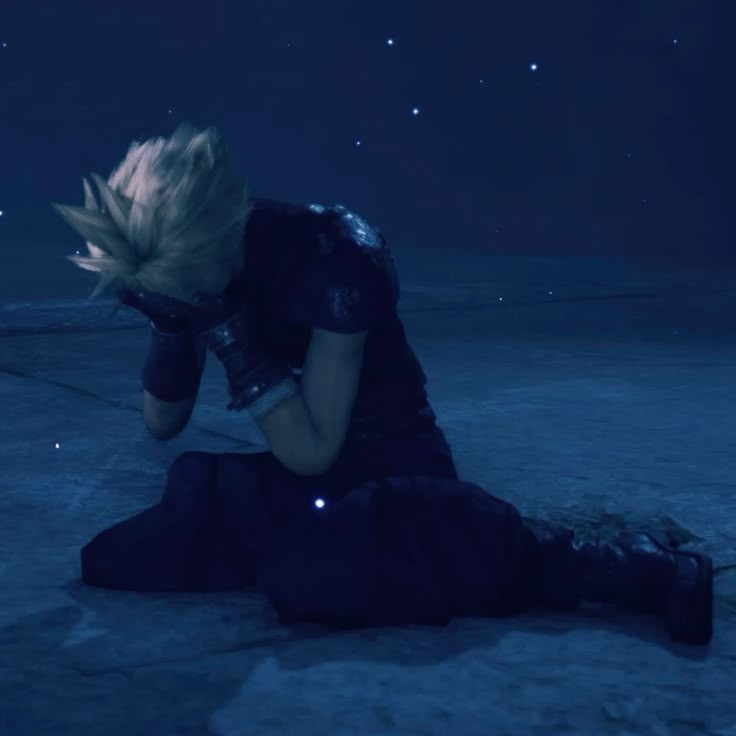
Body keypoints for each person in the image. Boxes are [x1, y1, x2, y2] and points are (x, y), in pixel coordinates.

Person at [53, 123, 713, 645]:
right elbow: (162, 423)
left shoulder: (332, 257)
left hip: (385, 463)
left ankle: (621, 564)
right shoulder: (195, 275)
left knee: (319, 574)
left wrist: (229, 334)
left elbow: (313, 452)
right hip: (310, 477)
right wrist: (171, 322)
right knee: (129, 553)